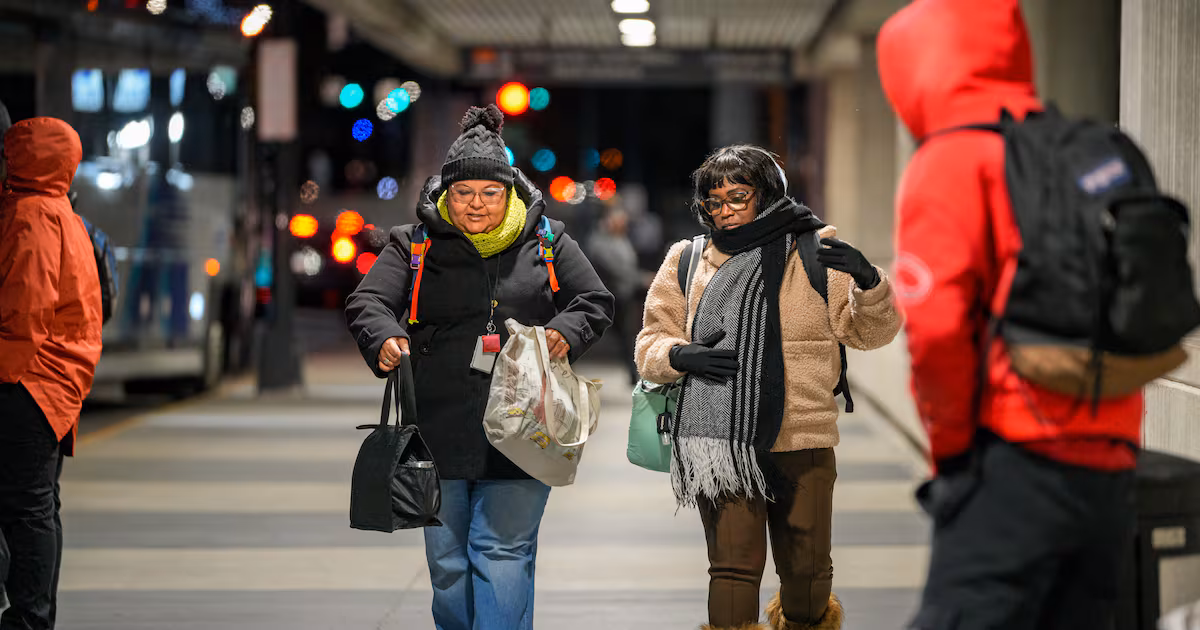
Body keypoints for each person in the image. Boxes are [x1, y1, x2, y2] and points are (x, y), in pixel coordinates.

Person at [878, 1, 1144, 628]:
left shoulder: (951, 159)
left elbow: (938, 329)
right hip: (1111, 460)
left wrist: (952, 458)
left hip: (1012, 457)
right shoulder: (1085, 148)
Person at [345, 104, 614, 630]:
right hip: (439, 427)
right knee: (448, 565)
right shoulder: (414, 243)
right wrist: (385, 336)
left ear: (509, 192)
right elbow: (368, 302)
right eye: (464, 193)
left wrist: (565, 331)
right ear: (446, 194)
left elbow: (595, 300)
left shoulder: (547, 240)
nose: (476, 204)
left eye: (489, 193)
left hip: (525, 425)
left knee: (500, 551)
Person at [636, 145, 902, 630]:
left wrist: (869, 281)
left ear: (768, 193)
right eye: (713, 202)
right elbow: (650, 341)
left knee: (808, 576)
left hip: (803, 436)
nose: (725, 211)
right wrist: (678, 354)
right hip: (721, 444)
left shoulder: (814, 251)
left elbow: (871, 334)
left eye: (738, 196)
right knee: (732, 572)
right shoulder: (688, 258)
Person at [0, 116, 103, 630]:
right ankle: (35, 618)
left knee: (25, 510)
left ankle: (27, 619)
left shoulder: (29, 214)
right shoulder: (61, 210)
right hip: (55, 383)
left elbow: (23, 316)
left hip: (30, 384)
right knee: (39, 505)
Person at [585, 207, 644, 384]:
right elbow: (614, 269)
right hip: (610, 295)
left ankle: (633, 372)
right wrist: (640, 278)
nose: (624, 225)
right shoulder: (599, 242)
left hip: (624, 294)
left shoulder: (622, 239)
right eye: (620, 221)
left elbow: (629, 267)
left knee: (627, 336)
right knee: (619, 335)